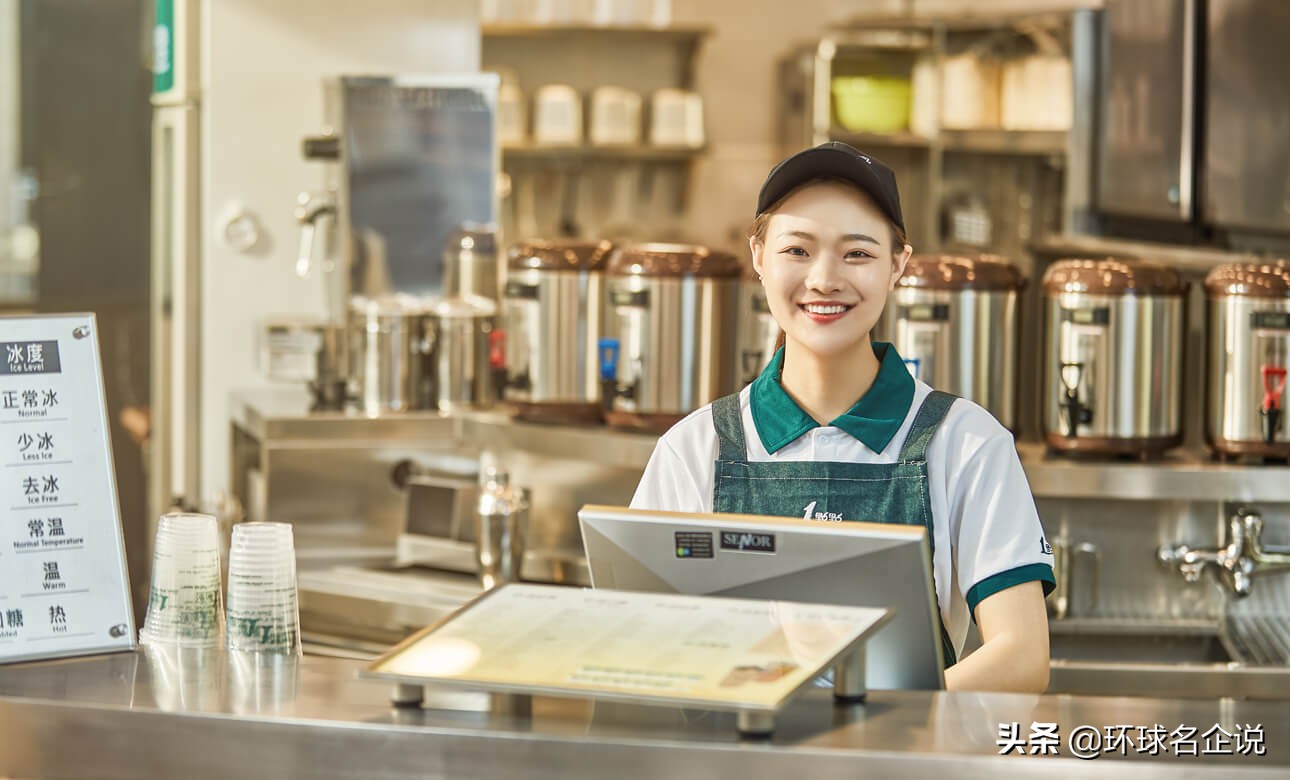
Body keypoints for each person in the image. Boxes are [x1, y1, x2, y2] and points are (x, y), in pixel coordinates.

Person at [629, 142, 1055, 693]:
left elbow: (1021, 658)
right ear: (758, 256)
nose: (825, 279)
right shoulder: (696, 448)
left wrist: (874, 723)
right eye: (797, 251)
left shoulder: (966, 443)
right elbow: (633, 637)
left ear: (898, 264)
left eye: (857, 253)